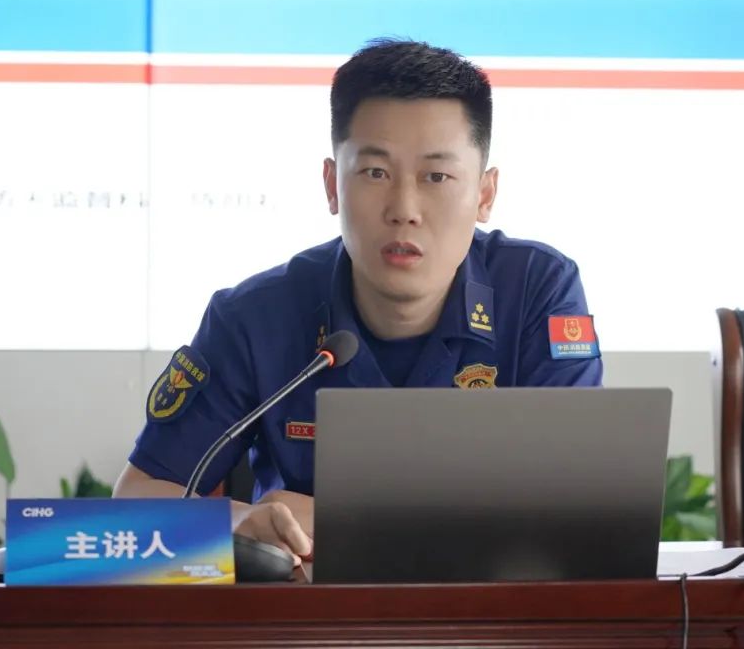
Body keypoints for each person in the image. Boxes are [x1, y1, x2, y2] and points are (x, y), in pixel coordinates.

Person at [113, 38, 603, 567]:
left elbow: (575, 507)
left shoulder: (534, 291)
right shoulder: (255, 317)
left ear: (484, 194)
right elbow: (137, 496)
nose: (404, 209)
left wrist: (347, 525)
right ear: (332, 185)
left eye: (437, 176)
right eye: (375, 173)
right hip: (308, 610)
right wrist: (238, 523)